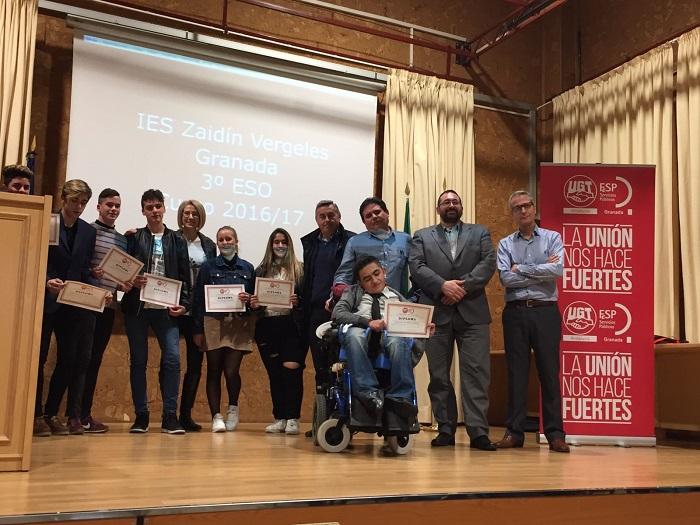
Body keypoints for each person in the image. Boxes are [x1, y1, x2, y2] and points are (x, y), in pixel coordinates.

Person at [409, 190, 497, 450]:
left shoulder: (479, 232)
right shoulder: (422, 236)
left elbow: (488, 262)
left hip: (473, 315)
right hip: (436, 314)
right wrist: (442, 286)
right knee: (438, 375)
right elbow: (417, 266)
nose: (451, 205)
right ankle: (445, 428)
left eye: (455, 201)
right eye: (445, 202)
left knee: (476, 374)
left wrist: (461, 288)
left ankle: (478, 432)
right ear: (438, 208)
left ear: (461, 206)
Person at [495, 190, 570, 453]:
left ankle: (555, 434)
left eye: (527, 205)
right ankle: (514, 433)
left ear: (534, 207)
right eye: (517, 208)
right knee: (516, 374)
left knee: (549, 373)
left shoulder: (553, 238)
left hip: (545, 311)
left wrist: (522, 269)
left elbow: (557, 270)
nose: (523, 210)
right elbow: (505, 278)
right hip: (515, 312)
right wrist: (540, 270)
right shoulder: (505, 244)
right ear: (512, 213)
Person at [122, 189, 191, 434]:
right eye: (149, 207)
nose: (154, 211)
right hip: (137, 309)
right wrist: (132, 279)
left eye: (158, 206)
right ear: (143, 211)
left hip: (166, 311)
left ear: (164, 208)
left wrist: (184, 304)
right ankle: (141, 416)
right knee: (138, 362)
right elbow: (123, 271)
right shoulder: (133, 237)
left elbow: (185, 276)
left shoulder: (177, 239)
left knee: (172, 360)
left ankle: (170, 416)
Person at [36, 179, 100, 436]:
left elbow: (84, 269)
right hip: (45, 302)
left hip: (73, 305)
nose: (79, 207)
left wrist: (98, 291)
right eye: (74, 201)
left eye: (83, 202)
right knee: (38, 359)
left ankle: (51, 413)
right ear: (63, 199)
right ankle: (34, 415)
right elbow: (34, 257)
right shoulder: (47, 221)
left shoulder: (88, 231)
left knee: (69, 360)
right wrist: (44, 281)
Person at [332, 255, 428, 420]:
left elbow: (413, 320)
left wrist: (424, 328)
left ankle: (400, 397)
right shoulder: (353, 292)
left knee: (398, 341)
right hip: (361, 332)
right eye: (367, 279)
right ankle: (368, 392)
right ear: (361, 283)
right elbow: (337, 313)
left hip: (389, 335)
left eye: (377, 274)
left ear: (384, 272)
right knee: (354, 335)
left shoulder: (396, 296)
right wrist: (368, 322)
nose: (375, 281)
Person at [192, 226, 255, 432]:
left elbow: (256, 299)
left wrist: (249, 299)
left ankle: (233, 409)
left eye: (229, 238)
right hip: (213, 324)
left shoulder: (248, 268)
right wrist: (197, 329)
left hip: (238, 324)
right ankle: (216, 416)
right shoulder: (208, 267)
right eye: (221, 239)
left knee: (231, 370)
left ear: (236, 241)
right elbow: (199, 300)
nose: (225, 242)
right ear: (217, 243)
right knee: (214, 370)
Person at [82, 188, 129, 433]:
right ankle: (69, 415)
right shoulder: (86, 230)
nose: (113, 209)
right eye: (109, 204)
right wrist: (90, 273)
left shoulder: (122, 240)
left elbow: (120, 275)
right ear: (98, 206)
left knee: (95, 361)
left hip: (108, 308)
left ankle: (84, 415)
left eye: (117, 206)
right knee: (79, 360)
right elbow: (79, 266)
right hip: (85, 305)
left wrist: (123, 284)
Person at [250, 228, 304, 435]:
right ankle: (280, 417)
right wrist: (254, 303)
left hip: (291, 326)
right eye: (276, 242)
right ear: (270, 245)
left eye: (284, 242)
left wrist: (297, 302)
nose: (280, 246)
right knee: (275, 374)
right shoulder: (261, 270)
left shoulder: (299, 270)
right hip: (267, 325)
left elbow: (306, 301)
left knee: (291, 370)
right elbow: (252, 301)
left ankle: (293, 418)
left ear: (289, 245)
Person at [300, 200, 355, 390]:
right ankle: (323, 410)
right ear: (316, 220)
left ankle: (343, 410)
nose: (327, 220)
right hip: (315, 313)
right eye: (322, 216)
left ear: (339, 217)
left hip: (344, 311)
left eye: (331, 215)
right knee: (320, 365)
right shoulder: (310, 243)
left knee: (342, 363)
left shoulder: (352, 241)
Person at [174, 199, 217, 431]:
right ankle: (170, 413)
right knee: (171, 362)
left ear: (201, 218)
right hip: (175, 308)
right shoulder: (171, 238)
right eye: (186, 213)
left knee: (195, 365)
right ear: (180, 215)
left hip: (198, 312)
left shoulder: (209, 244)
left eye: (195, 214)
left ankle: (185, 415)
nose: (190, 217)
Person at [333, 197, 410, 292]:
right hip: (365, 302)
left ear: (387, 212)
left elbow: (416, 271)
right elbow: (344, 274)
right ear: (364, 222)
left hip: (396, 302)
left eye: (377, 212)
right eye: (369, 215)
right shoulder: (354, 242)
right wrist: (338, 293)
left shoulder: (405, 239)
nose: (374, 216)